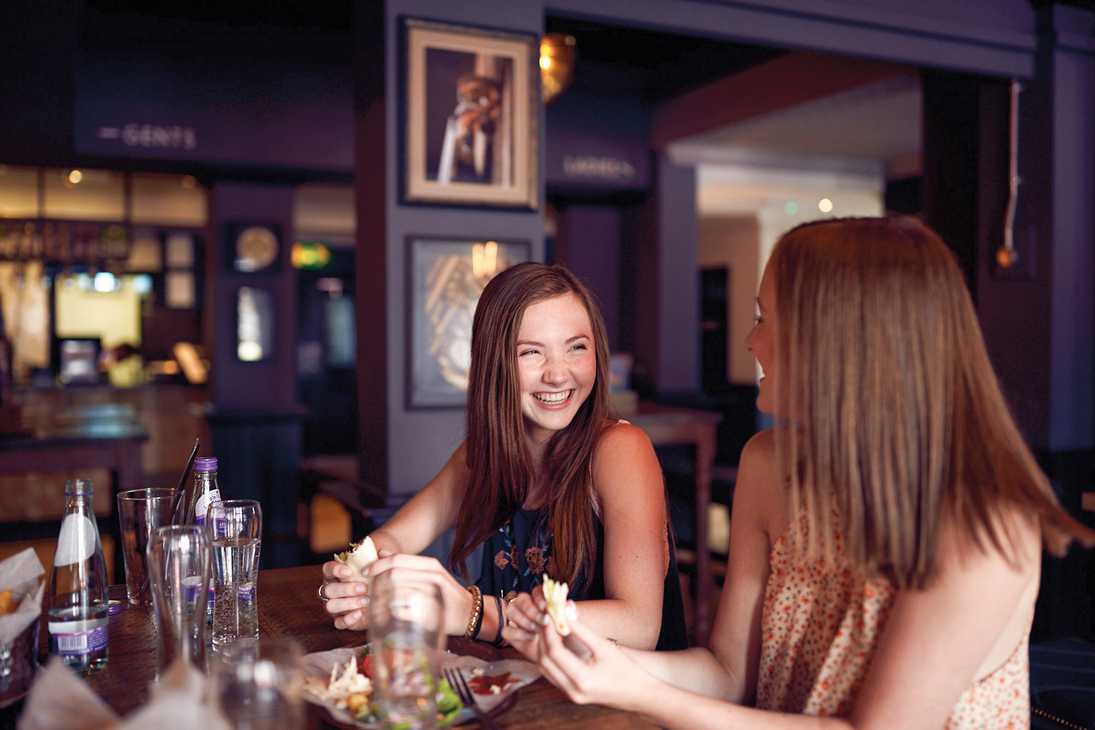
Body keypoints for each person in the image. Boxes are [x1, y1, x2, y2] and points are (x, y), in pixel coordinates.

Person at [507, 217, 1095, 728]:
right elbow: (728, 674)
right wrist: (584, 650)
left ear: (838, 338)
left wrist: (640, 694)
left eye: (766, 317)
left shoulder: (982, 522)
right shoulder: (769, 465)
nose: (749, 340)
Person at [319, 262, 687, 651]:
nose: (559, 374)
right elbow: (394, 538)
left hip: (617, 705)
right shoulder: (485, 453)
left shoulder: (620, 449)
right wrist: (359, 581)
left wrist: (475, 613)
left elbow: (638, 625)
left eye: (577, 347)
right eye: (531, 353)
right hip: (524, 693)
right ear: (493, 363)